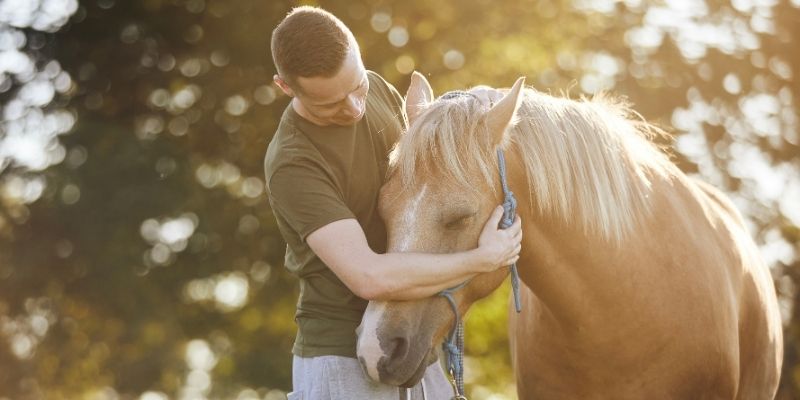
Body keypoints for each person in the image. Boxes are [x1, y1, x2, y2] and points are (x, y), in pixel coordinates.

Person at [264, 6, 522, 399]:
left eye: (356, 87)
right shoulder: (294, 162)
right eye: (330, 104)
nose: (353, 108)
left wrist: (470, 110)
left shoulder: (377, 90)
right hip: (341, 361)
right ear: (286, 88)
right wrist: (481, 260)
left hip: (417, 341)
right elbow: (368, 276)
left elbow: (426, 183)